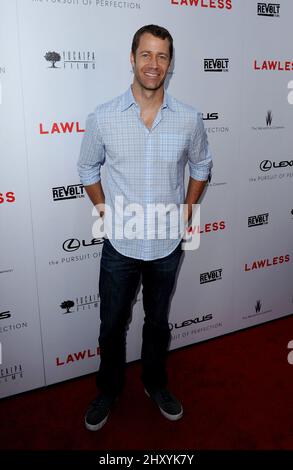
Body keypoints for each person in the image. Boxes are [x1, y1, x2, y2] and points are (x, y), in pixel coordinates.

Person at [78, 24, 212, 431]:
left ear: (170, 64)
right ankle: (108, 390)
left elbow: (202, 164)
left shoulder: (189, 118)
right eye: (146, 55)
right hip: (120, 244)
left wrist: (188, 209)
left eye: (162, 56)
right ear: (133, 58)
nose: (154, 65)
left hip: (167, 245)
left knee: (157, 322)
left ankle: (155, 384)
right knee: (111, 325)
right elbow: (86, 167)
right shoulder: (103, 116)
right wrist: (104, 211)